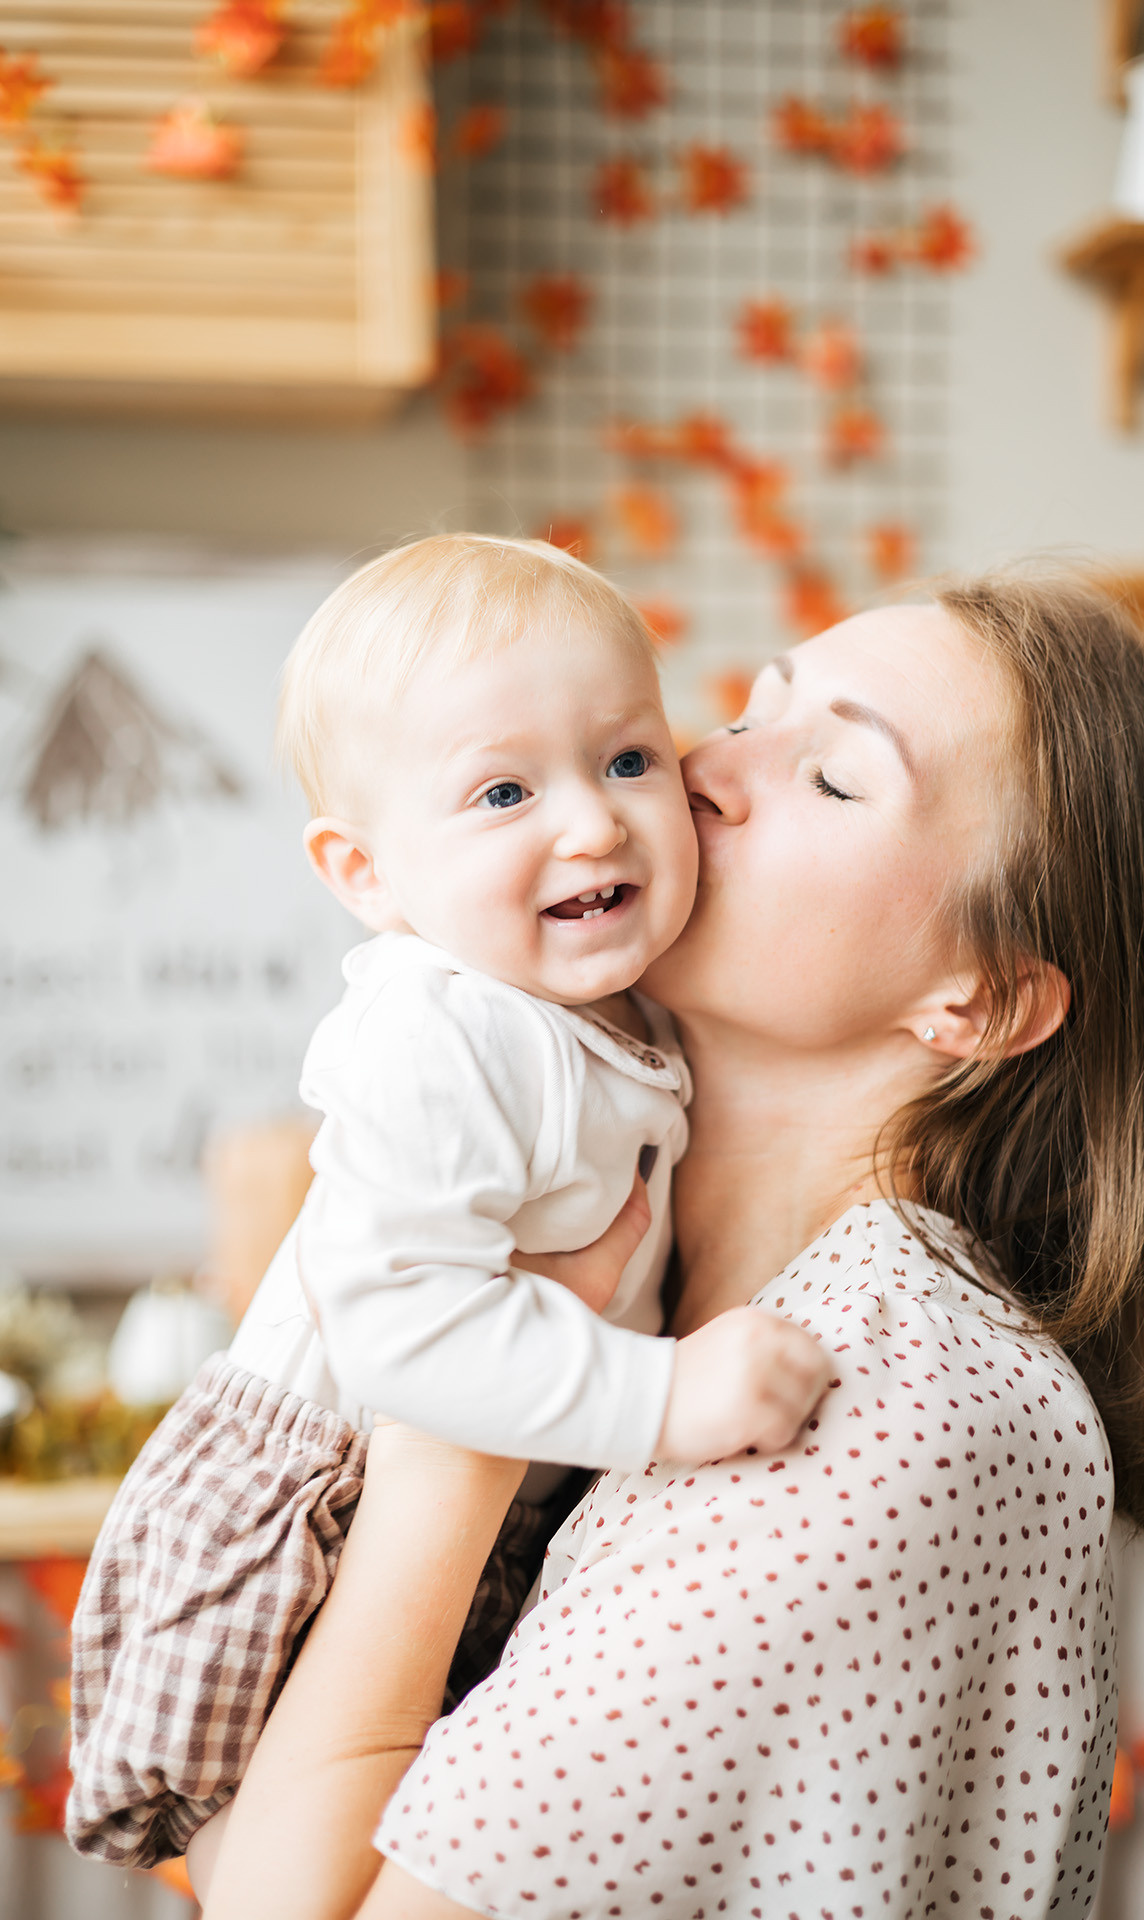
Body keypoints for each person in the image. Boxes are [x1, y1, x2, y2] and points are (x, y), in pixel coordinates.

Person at [195, 569, 1144, 1920]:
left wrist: (459, 1411)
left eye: (836, 778)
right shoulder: (649, 1307)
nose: (704, 770)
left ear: (977, 1000)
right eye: (757, 708)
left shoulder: (878, 1410)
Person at [66, 536, 827, 1870]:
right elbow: (399, 1324)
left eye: (630, 760)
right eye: (502, 792)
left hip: (498, 1471)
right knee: (278, 1862)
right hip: (321, 1502)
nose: (592, 822)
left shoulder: (603, 1002)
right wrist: (667, 1402)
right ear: (366, 876)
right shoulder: (446, 1032)